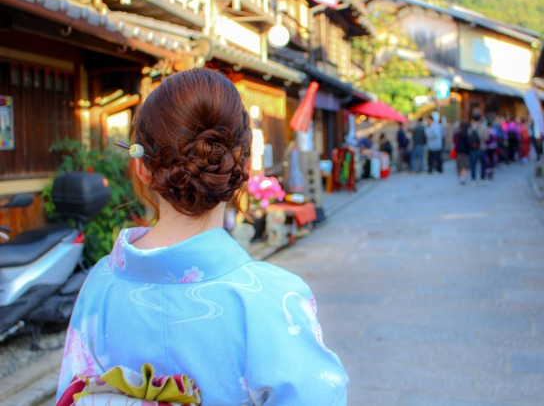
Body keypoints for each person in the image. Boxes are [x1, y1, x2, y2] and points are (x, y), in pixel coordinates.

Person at [56, 69, 349, 405]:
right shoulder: (271, 299)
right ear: (244, 165)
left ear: (142, 167)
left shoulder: (100, 287)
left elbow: (72, 392)